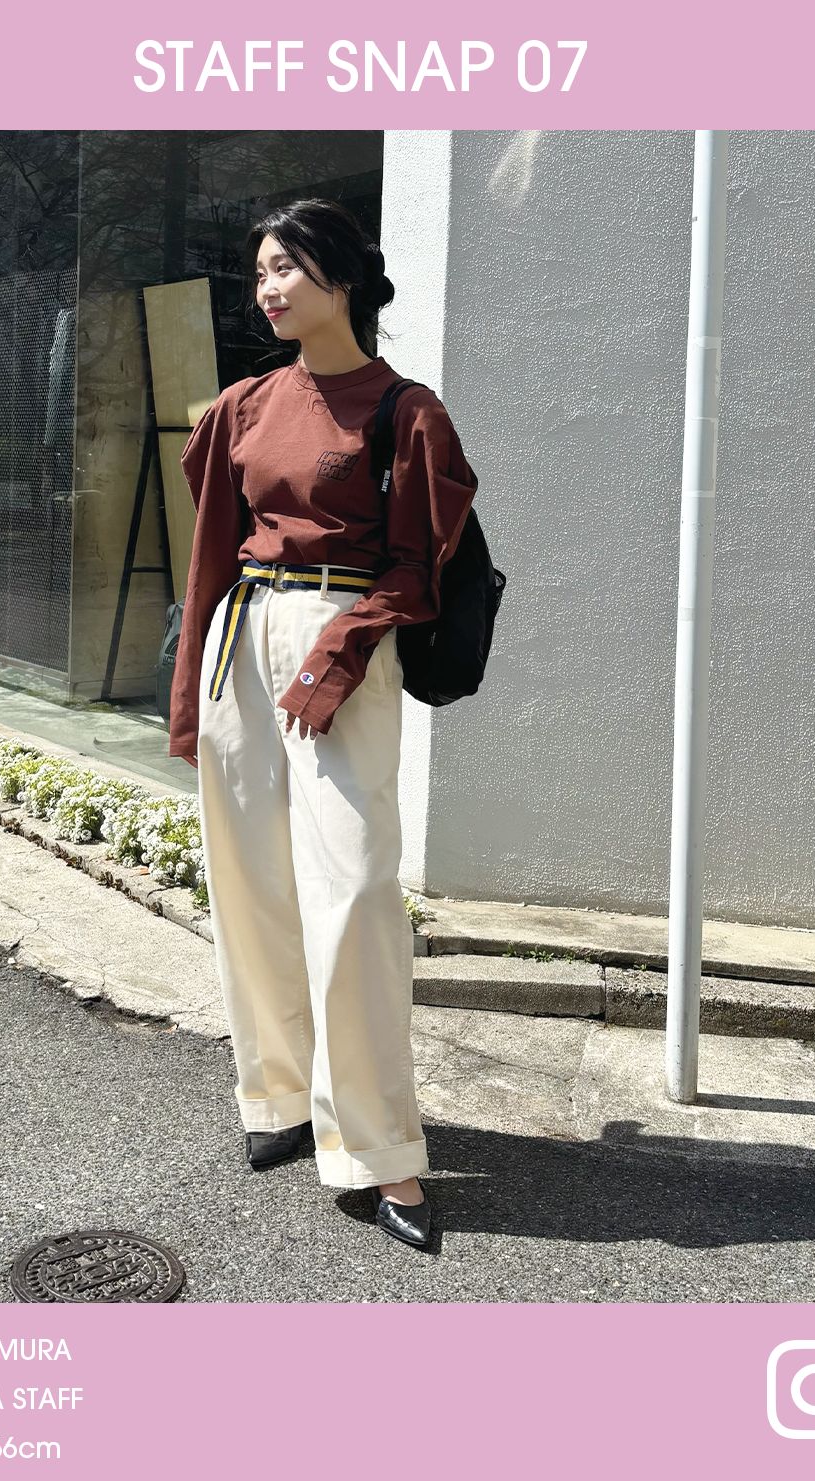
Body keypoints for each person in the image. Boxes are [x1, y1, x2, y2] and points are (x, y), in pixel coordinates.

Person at [169, 197, 478, 1250]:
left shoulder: (405, 410)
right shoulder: (245, 404)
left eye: (285, 267)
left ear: (341, 276)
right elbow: (213, 554)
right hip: (245, 635)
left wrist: (341, 649)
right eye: (259, 269)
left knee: (353, 892)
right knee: (250, 883)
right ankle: (280, 1094)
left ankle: (381, 1149)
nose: (265, 287)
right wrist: (193, 691)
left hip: (344, 641)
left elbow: (420, 565)